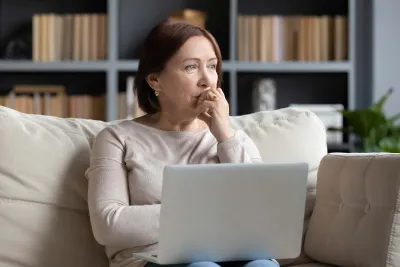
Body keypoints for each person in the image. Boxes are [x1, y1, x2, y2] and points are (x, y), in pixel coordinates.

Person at [85, 20, 279, 267]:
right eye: (190, 67)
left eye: (212, 66)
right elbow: (108, 225)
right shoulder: (116, 138)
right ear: (155, 80)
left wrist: (224, 137)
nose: (207, 80)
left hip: (232, 254)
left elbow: (262, 215)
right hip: (155, 258)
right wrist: (208, 214)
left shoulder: (232, 137)